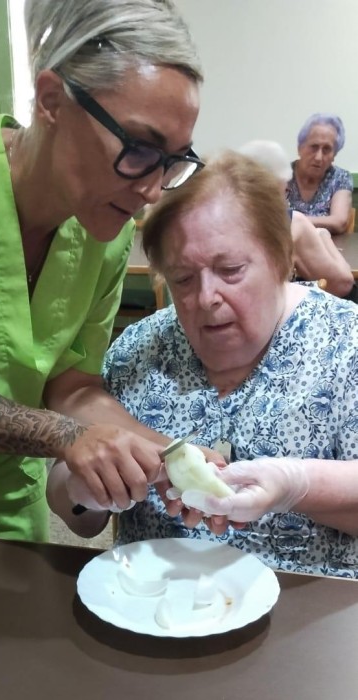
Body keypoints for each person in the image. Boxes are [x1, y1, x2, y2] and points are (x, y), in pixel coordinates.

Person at [0, 0, 207, 541]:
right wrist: (66, 436)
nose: (152, 191)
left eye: (172, 162)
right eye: (140, 149)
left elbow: (72, 384)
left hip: (2, 488)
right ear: (51, 101)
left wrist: (169, 455)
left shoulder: (105, 233)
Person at [48, 152, 358, 578]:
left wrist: (295, 485)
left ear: (281, 259)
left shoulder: (345, 345)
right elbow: (73, 509)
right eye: (183, 278)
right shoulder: (137, 351)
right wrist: (85, 491)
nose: (206, 297)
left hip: (306, 610)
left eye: (230, 270)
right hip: (154, 603)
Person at [239, 139, 355, 298]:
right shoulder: (291, 224)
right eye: (285, 190)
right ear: (274, 186)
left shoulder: (223, 219)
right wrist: (323, 236)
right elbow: (343, 284)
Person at [286, 113, 353, 235]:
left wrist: (293, 219)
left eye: (327, 149)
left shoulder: (340, 178)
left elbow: (339, 222)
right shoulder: (283, 175)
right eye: (314, 147)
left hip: (326, 244)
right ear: (300, 148)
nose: (318, 157)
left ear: (334, 155)